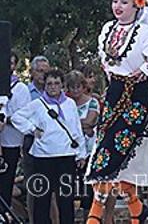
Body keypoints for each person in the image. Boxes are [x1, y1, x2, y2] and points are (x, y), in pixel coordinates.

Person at [84, 0, 148, 224]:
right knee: (104, 152)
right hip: (115, 94)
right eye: (115, 1)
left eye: (124, 2)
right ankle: (134, 208)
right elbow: (107, 64)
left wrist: (145, 69)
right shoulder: (107, 29)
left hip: (138, 97)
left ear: (137, 5)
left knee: (119, 153)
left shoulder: (146, 33)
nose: (118, 6)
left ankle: (95, 216)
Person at [8, 69, 88, 224]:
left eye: (56, 83)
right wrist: (32, 129)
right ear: (45, 85)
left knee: (66, 200)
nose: (53, 87)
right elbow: (17, 117)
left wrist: (81, 153)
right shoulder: (37, 104)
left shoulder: (70, 103)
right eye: (49, 83)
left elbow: (76, 129)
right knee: (42, 200)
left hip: (66, 156)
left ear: (62, 85)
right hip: (43, 157)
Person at [1, 54, 32, 214]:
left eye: (11, 63)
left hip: (10, 143)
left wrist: (7, 119)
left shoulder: (20, 89)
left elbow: (24, 117)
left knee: (6, 183)